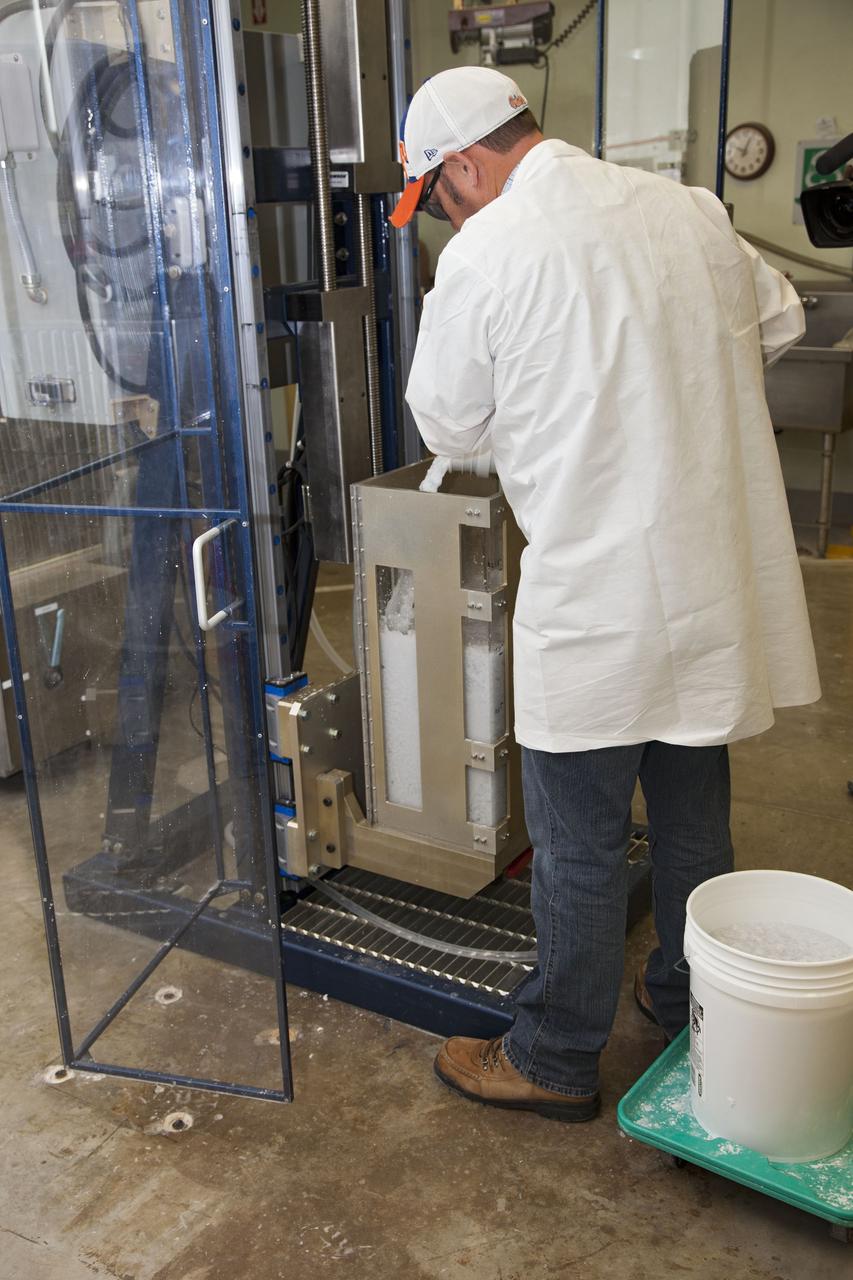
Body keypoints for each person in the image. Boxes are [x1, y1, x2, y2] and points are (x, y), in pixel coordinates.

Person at [390, 66, 821, 1123]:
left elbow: (447, 430)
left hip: (597, 601)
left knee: (578, 841)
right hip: (709, 584)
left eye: (433, 196)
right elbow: (779, 328)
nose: (441, 216)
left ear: (460, 166)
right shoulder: (691, 211)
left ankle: (551, 1055)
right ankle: (683, 998)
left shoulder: (489, 250)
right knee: (690, 822)